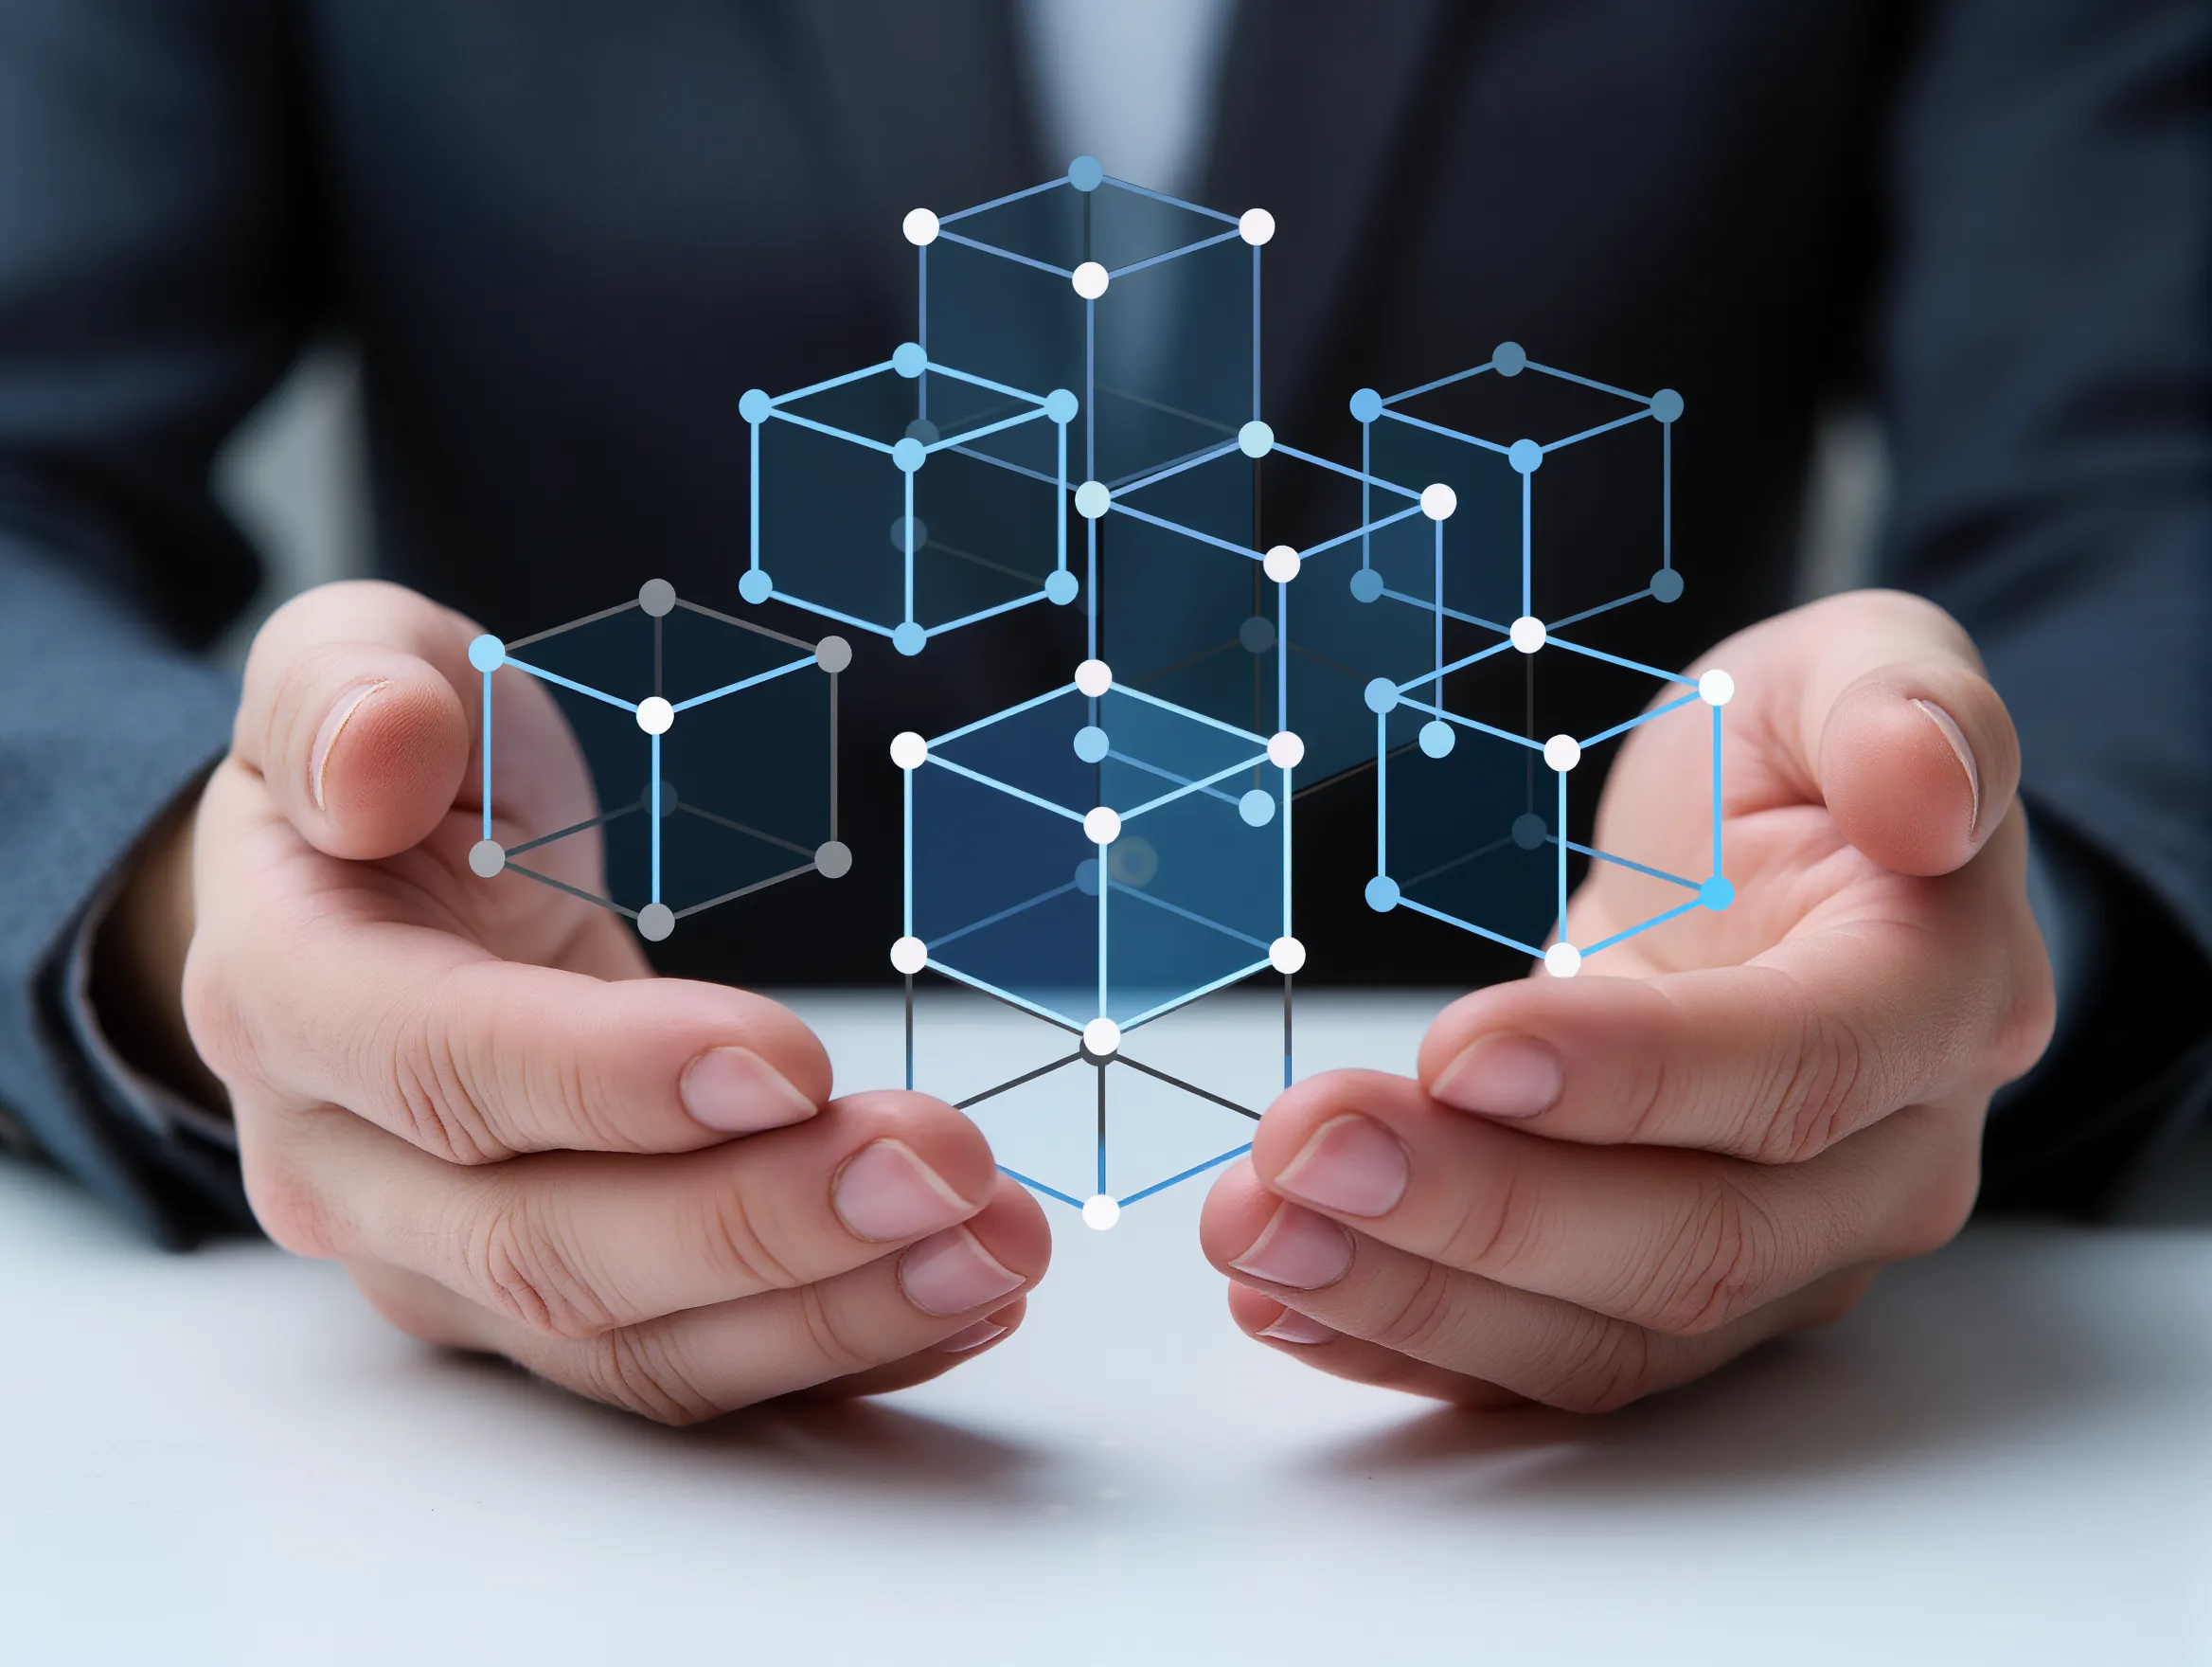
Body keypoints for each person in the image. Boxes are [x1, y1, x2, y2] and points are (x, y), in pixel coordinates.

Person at [0, 0, 2204, 1423]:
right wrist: (206, 910)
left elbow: (2149, 495)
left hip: (1709, 1465)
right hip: (479, 1491)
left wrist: (1958, 927)